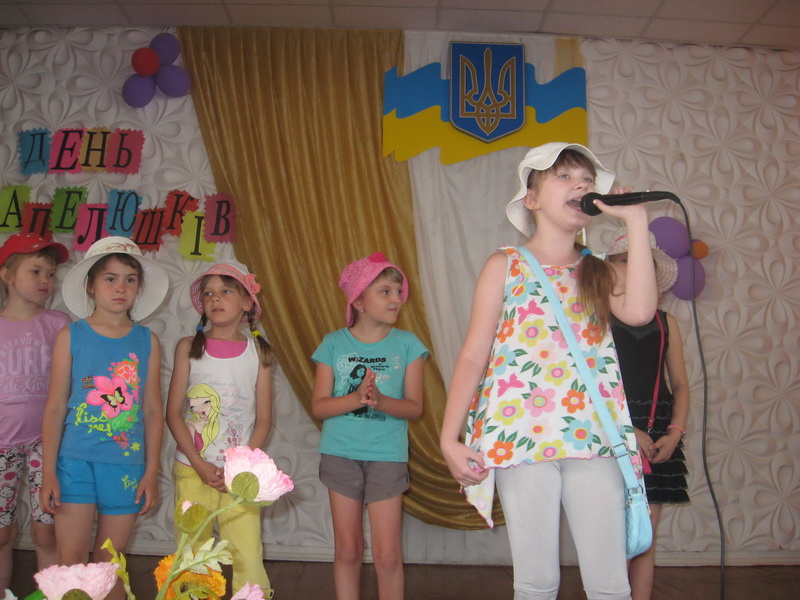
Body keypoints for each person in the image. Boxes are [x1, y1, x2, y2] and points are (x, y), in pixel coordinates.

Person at [440, 142, 659, 600]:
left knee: (610, 583)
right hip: (521, 435)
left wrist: (636, 223)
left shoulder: (598, 270)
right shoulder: (505, 265)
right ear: (532, 198)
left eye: (587, 179)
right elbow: (473, 356)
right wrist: (449, 438)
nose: (580, 184)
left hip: (592, 438)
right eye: (564, 176)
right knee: (536, 581)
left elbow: (640, 312)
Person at [40, 236, 167, 600]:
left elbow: (152, 410)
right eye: (110, 278)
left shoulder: (147, 340)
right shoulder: (71, 335)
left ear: (139, 288)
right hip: (74, 463)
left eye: (129, 279)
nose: (120, 287)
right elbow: (55, 406)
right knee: (71, 562)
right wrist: (49, 473)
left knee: (110, 563)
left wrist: (151, 471)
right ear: (91, 286)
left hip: (126, 466)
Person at [311, 252, 427, 600]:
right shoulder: (333, 343)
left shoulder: (409, 345)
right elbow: (320, 406)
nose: (396, 299)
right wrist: (357, 398)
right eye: (385, 292)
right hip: (340, 455)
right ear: (358, 301)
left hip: (387, 457)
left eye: (398, 292)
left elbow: (415, 407)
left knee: (388, 556)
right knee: (348, 550)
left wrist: (381, 401)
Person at [166, 263, 274, 598]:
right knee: (192, 554)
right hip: (192, 469)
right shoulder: (188, 347)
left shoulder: (258, 352)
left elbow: (264, 419)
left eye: (226, 291)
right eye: (209, 293)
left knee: (246, 552)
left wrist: (239, 467)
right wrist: (199, 464)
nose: (215, 298)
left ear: (247, 303)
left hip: (239, 476)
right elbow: (173, 414)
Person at [606, 228, 690, 600]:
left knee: (644, 537)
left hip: (657, 438)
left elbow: (681, 385)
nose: (634, 268)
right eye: (624, 260)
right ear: (609, 268)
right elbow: (588, 388)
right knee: (609, 539)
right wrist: (626, 430)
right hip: (610, 434)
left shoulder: (666, 323)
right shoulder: (596, 319)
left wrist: (674, 433)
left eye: (642, 262)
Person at [0, 233, 70, 591]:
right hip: (1, 444)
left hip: (48, 442)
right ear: (7, 275)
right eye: (36, 271)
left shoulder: (59, 324)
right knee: (1, 533)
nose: (46, 280)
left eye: (51, 274)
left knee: (47, 531)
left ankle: (51, 594)